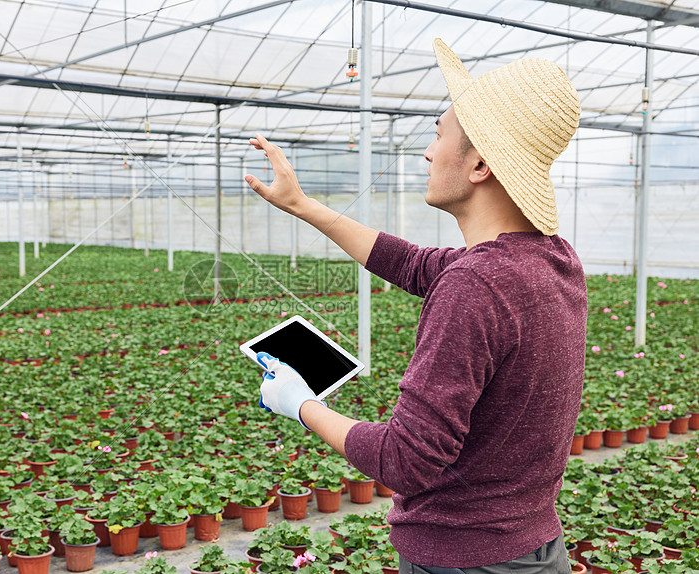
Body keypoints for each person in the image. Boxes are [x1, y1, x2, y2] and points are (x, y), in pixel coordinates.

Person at [244, 39, 587, 574]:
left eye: (438, 133)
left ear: (478, 165)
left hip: (463, 560)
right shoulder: (552, 260)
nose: (428, 151)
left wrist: (301, 404)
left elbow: (407, 460)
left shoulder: (477, 284)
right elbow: (409, 263)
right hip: (534, 546)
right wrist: (303, 206)